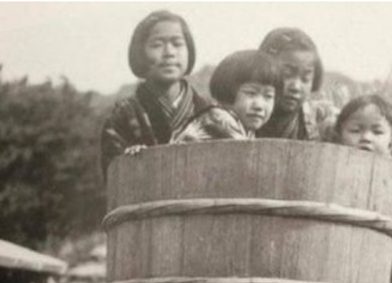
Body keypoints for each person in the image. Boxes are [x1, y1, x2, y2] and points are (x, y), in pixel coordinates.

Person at [100, 10, 210, 177]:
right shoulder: (123, 117)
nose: (169, 53)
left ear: (189, 51)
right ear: (140, 53)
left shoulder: (210, 113)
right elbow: (115, 180)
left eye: (177, 43)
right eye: (157, 45)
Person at [172, 50, 280, 142]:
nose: (259, 106)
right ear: (228, 89)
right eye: (251, 93)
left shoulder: (246, 129)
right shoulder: (218, 119)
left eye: (268, 96)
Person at [255, 28, 338, 141]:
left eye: (305, 78)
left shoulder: (320, 122)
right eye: (287, 74)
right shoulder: (240, 118)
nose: (296, 87)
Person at [333, 95, 392, 179]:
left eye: (377, 132)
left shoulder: (389, 166)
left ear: (390, 144)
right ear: (339, 138)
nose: (366, 138)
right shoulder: (333, 163)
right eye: (356, 130)